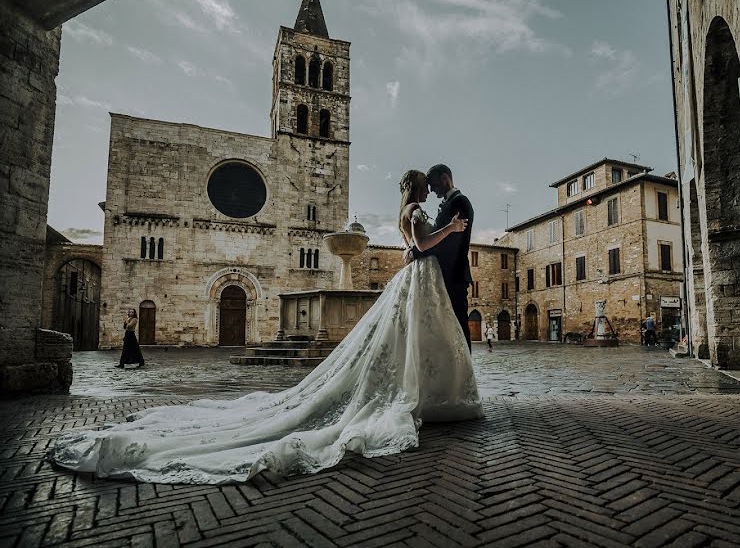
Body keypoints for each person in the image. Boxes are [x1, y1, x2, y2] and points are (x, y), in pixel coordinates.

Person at [47, 169, 483, 484]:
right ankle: (424, 395)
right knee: (406, 343)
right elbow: (423, 243)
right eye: (425, 184)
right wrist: (453, 229)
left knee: (406, 343)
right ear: (417, 186)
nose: (429, 187)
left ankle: (424, 393)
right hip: (420, 278)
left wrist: (420, 246)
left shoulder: (406, 209)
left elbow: (412, 248)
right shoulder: (416, 211)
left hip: (417, 280)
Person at [404, 164, 474, 352]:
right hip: (444, 274)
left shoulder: (460, 202)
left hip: (454, 274)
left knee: (459, 324)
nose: (432, 189)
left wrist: (416, 251)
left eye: (433, 185)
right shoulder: (449, 203)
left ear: (445, 178)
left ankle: (466, 375)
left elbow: (451, 244)